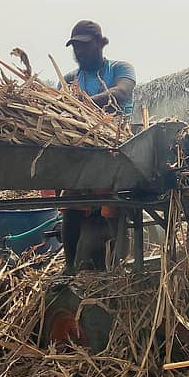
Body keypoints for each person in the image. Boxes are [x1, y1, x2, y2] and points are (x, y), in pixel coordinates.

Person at [60, 20, 136, 271]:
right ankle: (69, 268)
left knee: (112, 206)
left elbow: (122, 93)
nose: (79, 52)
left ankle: (117, 268)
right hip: (79, 153)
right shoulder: (70, 79)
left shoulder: (119, 68)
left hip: (113, 147)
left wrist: (81, 107)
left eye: (85, 45)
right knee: (71, 207)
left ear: (101, 44)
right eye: (76, 47)